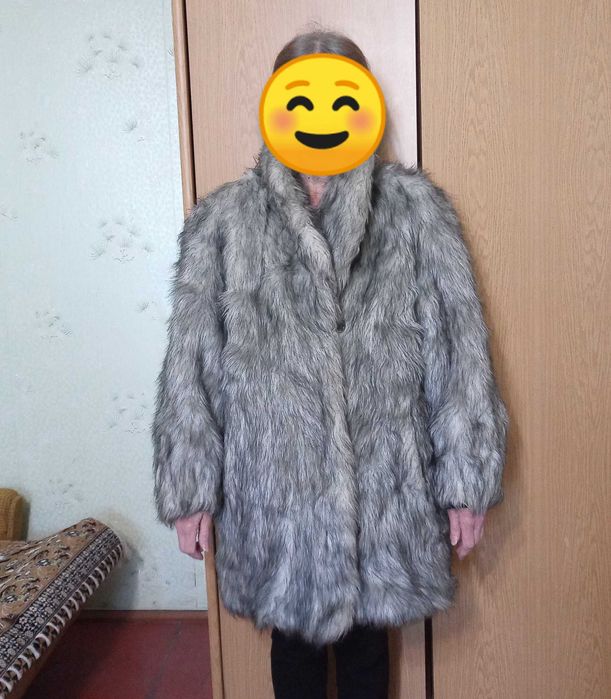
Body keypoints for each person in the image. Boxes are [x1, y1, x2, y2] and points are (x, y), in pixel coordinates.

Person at [152, 29, 508, 699]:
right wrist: (191, 491)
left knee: (370, 651)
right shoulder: (224, 223)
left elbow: (459, 350)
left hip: (386, 488)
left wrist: (465, 480)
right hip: (273, 494)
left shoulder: (415, 213)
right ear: (276, 106)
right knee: (292, 652)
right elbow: (190, 366)